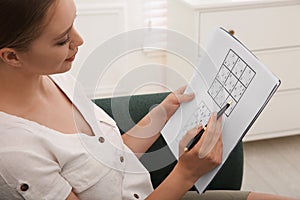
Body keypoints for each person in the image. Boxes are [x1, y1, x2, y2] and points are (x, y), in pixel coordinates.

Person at [0, 0, 296, 200]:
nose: (79, 41)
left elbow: (109, 161)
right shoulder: (16, 153)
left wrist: (160, 114)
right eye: (62, 39)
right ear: (12, 56)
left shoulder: (56, 78)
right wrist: (185, 173)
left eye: (73, 25)